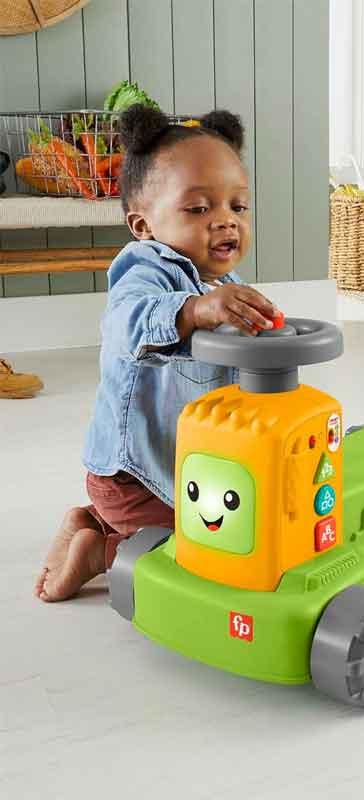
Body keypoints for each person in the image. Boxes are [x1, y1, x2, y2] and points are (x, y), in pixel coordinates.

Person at [34, 104, 280, 601]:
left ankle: (88, 521)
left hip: (178, 469)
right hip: (136, 476)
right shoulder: (145, 269)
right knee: (211, 546)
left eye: (238, 206)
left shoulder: (222, 283)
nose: (225, 221)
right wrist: (193, 310)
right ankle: (102, 554)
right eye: (199, 209)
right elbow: (126, 322)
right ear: (143, 224)